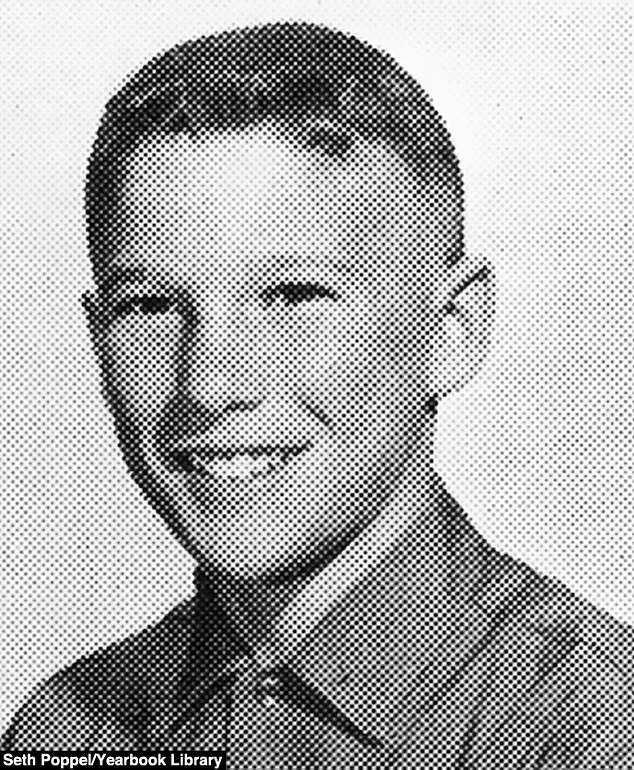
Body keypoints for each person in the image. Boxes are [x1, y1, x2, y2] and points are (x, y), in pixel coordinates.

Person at [3, 21, 634, 768]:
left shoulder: (591, 724)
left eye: (293, 296)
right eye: (149, 308)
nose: (209, 384)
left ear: (449, 331)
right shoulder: (66, 731)